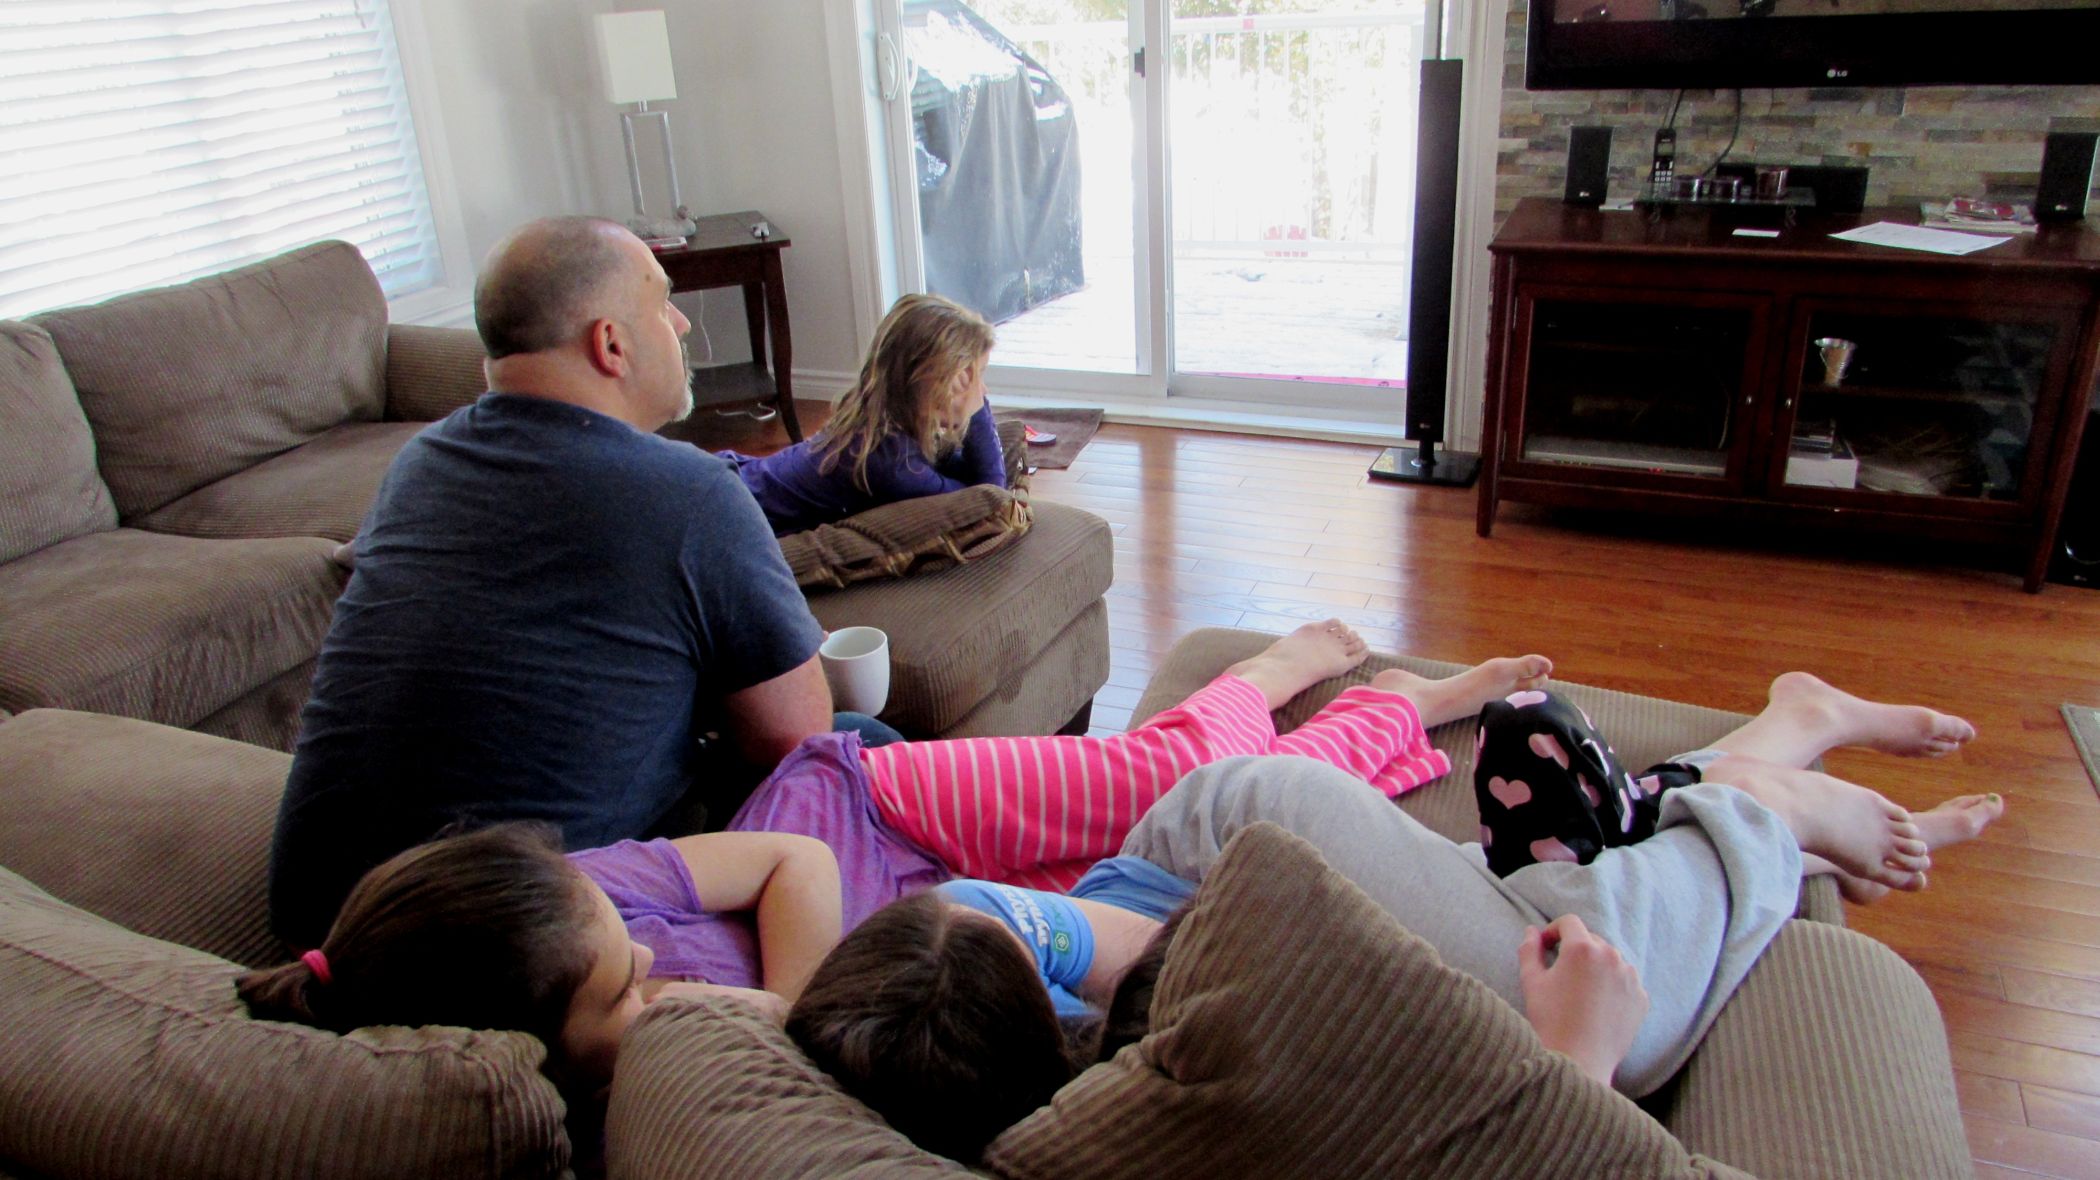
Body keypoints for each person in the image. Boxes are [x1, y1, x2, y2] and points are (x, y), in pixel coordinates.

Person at [238, 622, 1552, 1086]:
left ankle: (1297, 678)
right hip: (941, 918)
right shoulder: (628, 1074)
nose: (646, 963)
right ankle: (1365, 715)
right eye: (622, 987)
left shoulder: (584, 901)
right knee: (1219, 832)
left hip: (871, 810)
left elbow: (789, 869)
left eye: (625, 948)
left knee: (1161, 774)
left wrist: (800, 999)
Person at [784, 673, 2002, 1161]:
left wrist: (1565, 1062)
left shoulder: (974, 953)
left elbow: (1155, 949)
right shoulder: (1051, 1104)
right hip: (1203, 885)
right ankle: (1780, 735)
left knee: (1605, 979)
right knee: (1564, 919)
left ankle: (1761, 808)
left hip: (1223, 850)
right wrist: (1567, 1065)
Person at [269, 216, 890, 948]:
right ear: (611, 344)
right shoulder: (690, 492)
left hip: (322, 919)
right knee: (858, 745)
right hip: (522, 947)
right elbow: (793, 735)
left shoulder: (420, 464)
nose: (682, 324)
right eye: (663, 302)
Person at [721, 293, 1006, 536]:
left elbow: (962, 471)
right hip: (729, 511)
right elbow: (990, 500)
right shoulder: (892, 463)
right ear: (937, 383)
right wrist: (977, 411)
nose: (982, 390)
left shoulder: (888, 426)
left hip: (737, 481)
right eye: (974, 377)